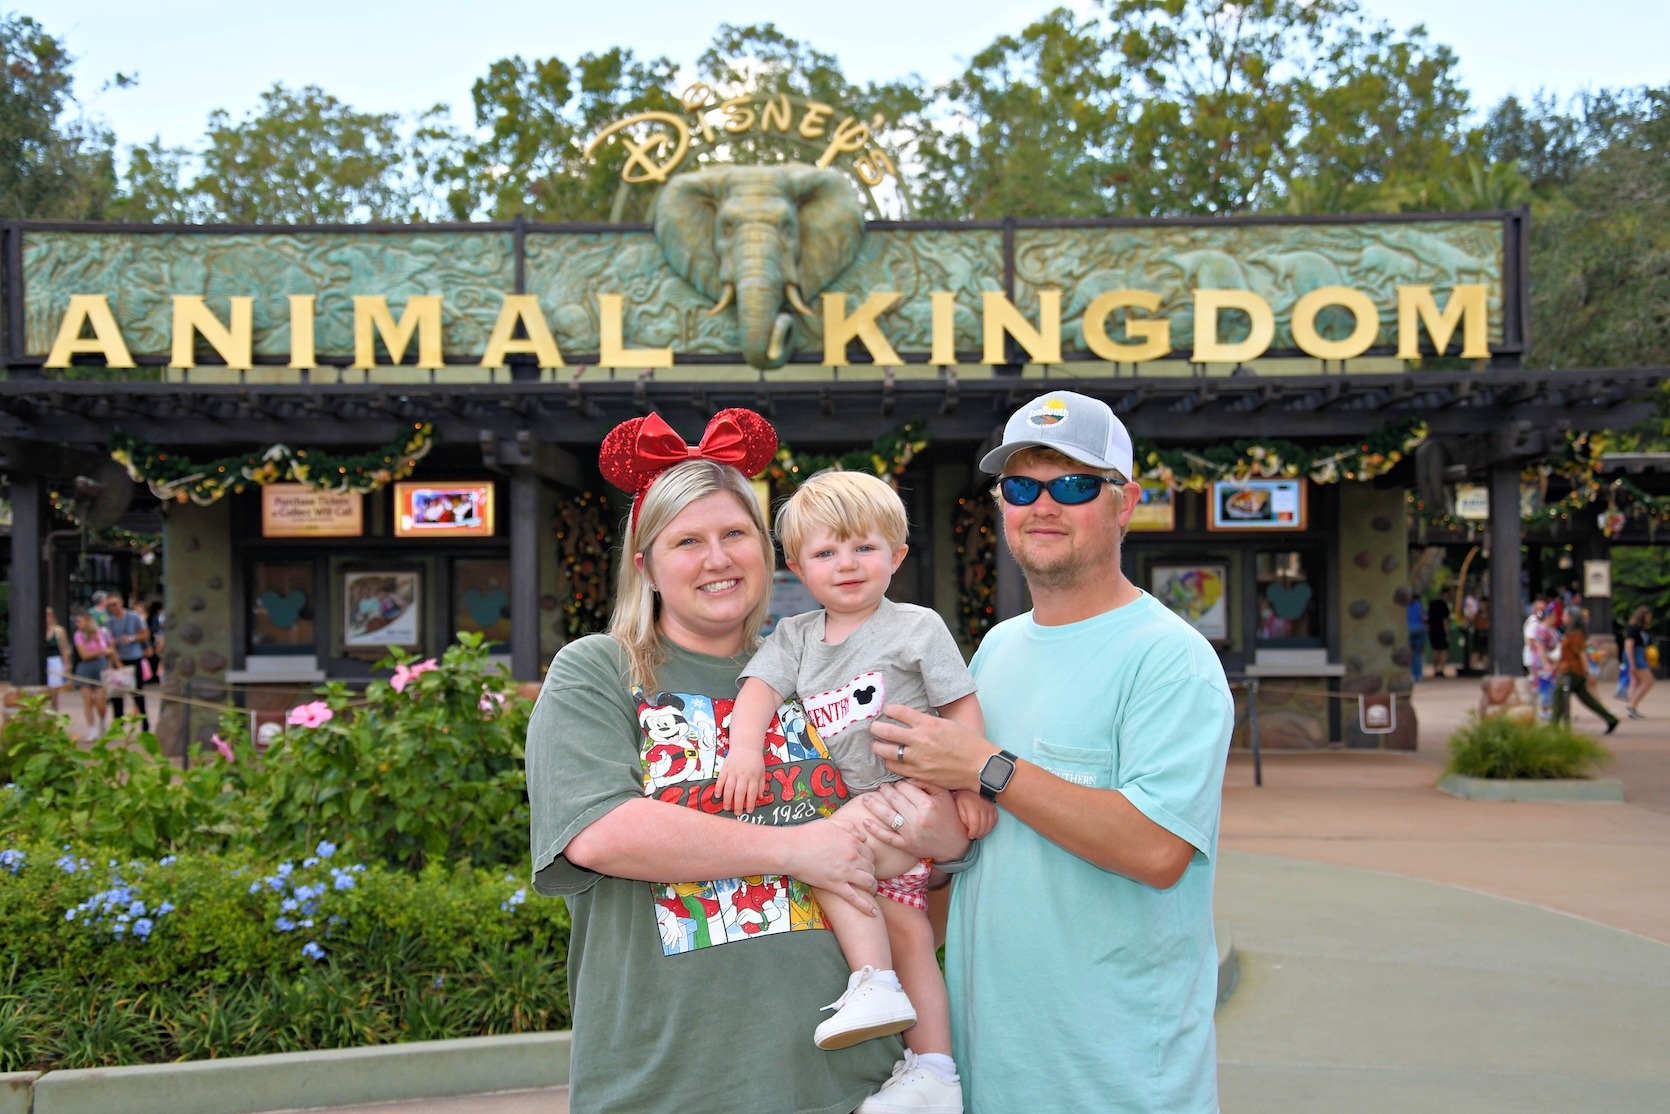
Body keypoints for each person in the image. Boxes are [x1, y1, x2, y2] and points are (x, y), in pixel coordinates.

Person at [525, 410, 967, 1114]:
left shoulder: (830, 669)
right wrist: (803, 849)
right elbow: (602, 832)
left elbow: (907, 887)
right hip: (673, 1086)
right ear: (645, 564)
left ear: (768, 551)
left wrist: (940, 847)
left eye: (735, 535)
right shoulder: (599, 670)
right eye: (687, 541)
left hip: (853, 1085)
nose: (718, 559)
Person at [865, 389, 1234, 1113]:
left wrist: (984, 766)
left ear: (1125, 504)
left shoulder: (1169, 658)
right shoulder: (997, 649)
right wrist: (936, 853)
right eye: (1022, 486)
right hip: (993, 1063)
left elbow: (1159, 851)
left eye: (1072, 485)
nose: (1044, 504)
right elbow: (981, 844)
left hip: (1118, 1078)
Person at [718, 469, 992, 1113]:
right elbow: (757, 691)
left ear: (896, 555)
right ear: (797, 567)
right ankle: (934, 1073)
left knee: (826, 854)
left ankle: (871, 983)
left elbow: (960, 706)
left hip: (911, 792)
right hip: (868, 808)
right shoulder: (795, 637)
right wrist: (744, 749)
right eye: (826, 552)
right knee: (910, 931)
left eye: (864, 548)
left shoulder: (915, 628)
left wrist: (975, 781)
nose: (846, 564)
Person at [1552, 618, 1618, 734]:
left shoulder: (1576, 635)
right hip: (1572, 669)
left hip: (1572, 670)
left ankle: (1553, 724)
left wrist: (1587, 673)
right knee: (1587, 699)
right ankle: (1610, 719)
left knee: (1559, 695)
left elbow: (1581, 654)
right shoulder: (1573, 634)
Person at [104, 593, 151, 730]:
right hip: (118, 658)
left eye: (114, 604)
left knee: (137, 691)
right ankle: (118, 723)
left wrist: (131, 638)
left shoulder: (133, 617)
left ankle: (144, 722)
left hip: (133, 657)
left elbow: (145, 634)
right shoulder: (109, 622)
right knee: (116, 693)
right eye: (109, 605)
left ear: (121, 603)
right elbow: (108, 641)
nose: (112, 608)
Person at [70, 609, 115, 740]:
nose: (77, 624)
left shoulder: (102, 632)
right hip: (85, 667)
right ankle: (92, 729)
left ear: (88, 621)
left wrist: (115, 664)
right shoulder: (78, 635)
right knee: (88, 700)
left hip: (101, 666)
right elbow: (84, 654)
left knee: (101, 701)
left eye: (80, 621)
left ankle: (102, 721)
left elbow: (111, 650)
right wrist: (101, 651)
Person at [1624, 606, 1655, 720]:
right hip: (1635, 656)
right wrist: (1632, 663)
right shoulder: (1634, 628)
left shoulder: (1643, 629)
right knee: (1648, 681)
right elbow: (1629, 645)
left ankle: (1632, 707)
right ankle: (1631, 706)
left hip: (1640, 655)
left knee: (1636, 682)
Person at [44, 607, 72, 711]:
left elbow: (65, 649)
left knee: (53, 690)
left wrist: (67, 665)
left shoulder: (59, 631)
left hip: (55, 661)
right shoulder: (38, 630)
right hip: (44, 661)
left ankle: (54, 711)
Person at [1428, 588, 1453, 679]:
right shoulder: (1443, 605)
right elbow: (1445, 620)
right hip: (1441, 631)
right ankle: (1441, 669)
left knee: (1435, 650)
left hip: (1433, 631)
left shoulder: (1432, 604)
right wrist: (1447, 633)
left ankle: (1435, 669)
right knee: (1443, 650)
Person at [1406, 591, 1427, 683]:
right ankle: (1419, 675)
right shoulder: (1419, 604)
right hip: (1420, 629)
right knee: (1418, 654)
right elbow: (1423, 617)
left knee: (1410, 653)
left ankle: (1413, 675)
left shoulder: (1404, 606)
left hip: (1409, 629)